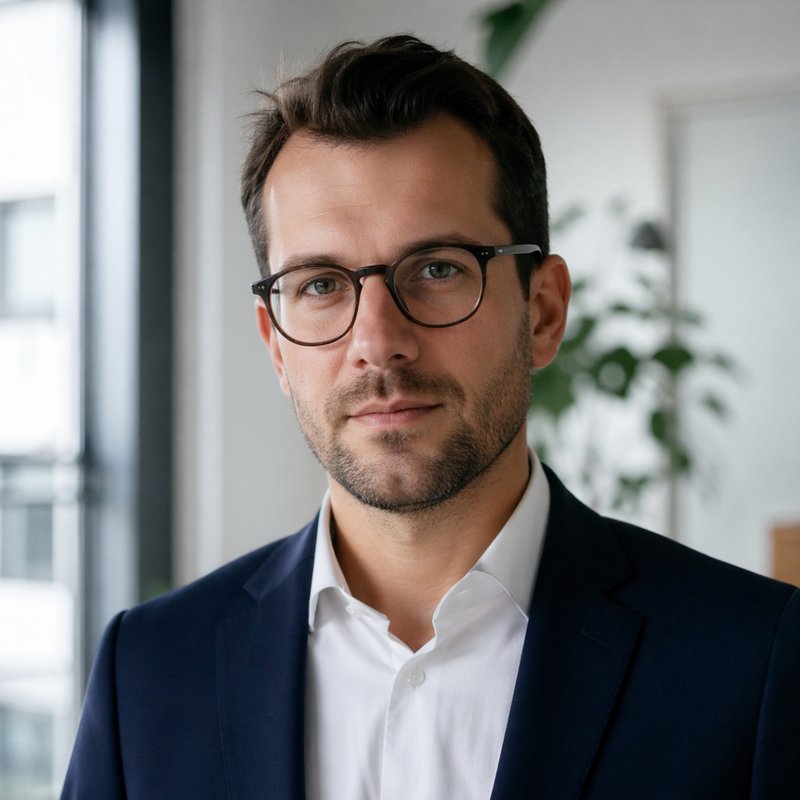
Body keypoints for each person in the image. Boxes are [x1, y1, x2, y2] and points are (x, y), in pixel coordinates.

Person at [62, 35, 799, 799]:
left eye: (438, 269)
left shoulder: (753, 665)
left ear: (543, 311)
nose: (377, 342)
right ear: (276, 345)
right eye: (320, 285)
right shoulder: (145, 674)